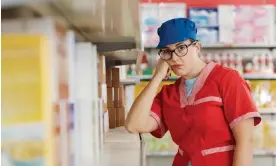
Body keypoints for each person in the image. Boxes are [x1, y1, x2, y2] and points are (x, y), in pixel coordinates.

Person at [125, 18, 262, 166]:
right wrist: (157, 77)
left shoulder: (227, 79)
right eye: (167, 51)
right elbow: (134, 125)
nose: (174, 57)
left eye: (181, 48)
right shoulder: (169, 94)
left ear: (197, 47)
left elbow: (246, 141)